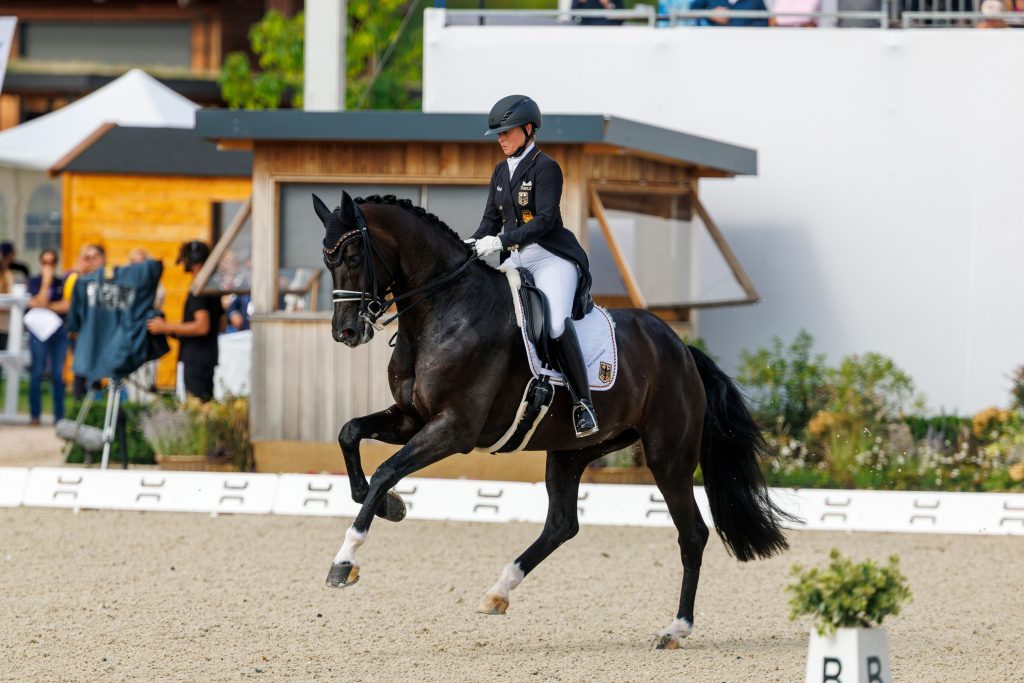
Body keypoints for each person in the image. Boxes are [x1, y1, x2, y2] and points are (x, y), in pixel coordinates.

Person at [468, 95, 599, 439]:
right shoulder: (500, 171)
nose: (500, 139)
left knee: (554, 323)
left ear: (528, 130)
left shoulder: (546, 167)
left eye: (506, 132)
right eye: (497, 133)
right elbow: (488, 222)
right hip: (517, 257)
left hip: (551, 255)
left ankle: (582, 403)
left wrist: (501, 241)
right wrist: (468, 245)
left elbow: (544, 221)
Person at [146, 241, 223, 402]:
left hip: (195, 358)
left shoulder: (198, 289)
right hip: (208, 355)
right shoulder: (212, 287)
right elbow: (221, 323)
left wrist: (165, 327)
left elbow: (202, 326)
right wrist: (178, 330)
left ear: (194, 262)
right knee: (205, 403)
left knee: (196, 405)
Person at [25, 249, 69, 425]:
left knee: (57, 374)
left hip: (58, 333)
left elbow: (66, 306)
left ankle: (59, 416)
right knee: (37, 372)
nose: (48, 266)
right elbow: (40, 301)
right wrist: (46, 282)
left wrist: (44, 305)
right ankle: (35, 415)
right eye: (45, 262)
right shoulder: (34, 281)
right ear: (40, 263)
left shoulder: (61, 282)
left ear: (55, 263)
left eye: (51, 262)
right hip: (38, 333)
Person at [689, 0, 769, 26]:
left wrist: (749, 32)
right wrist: (710, 14)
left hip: (744, 47)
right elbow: (693, 10)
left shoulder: (756, 1)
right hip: (714, 44)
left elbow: (764, 21)